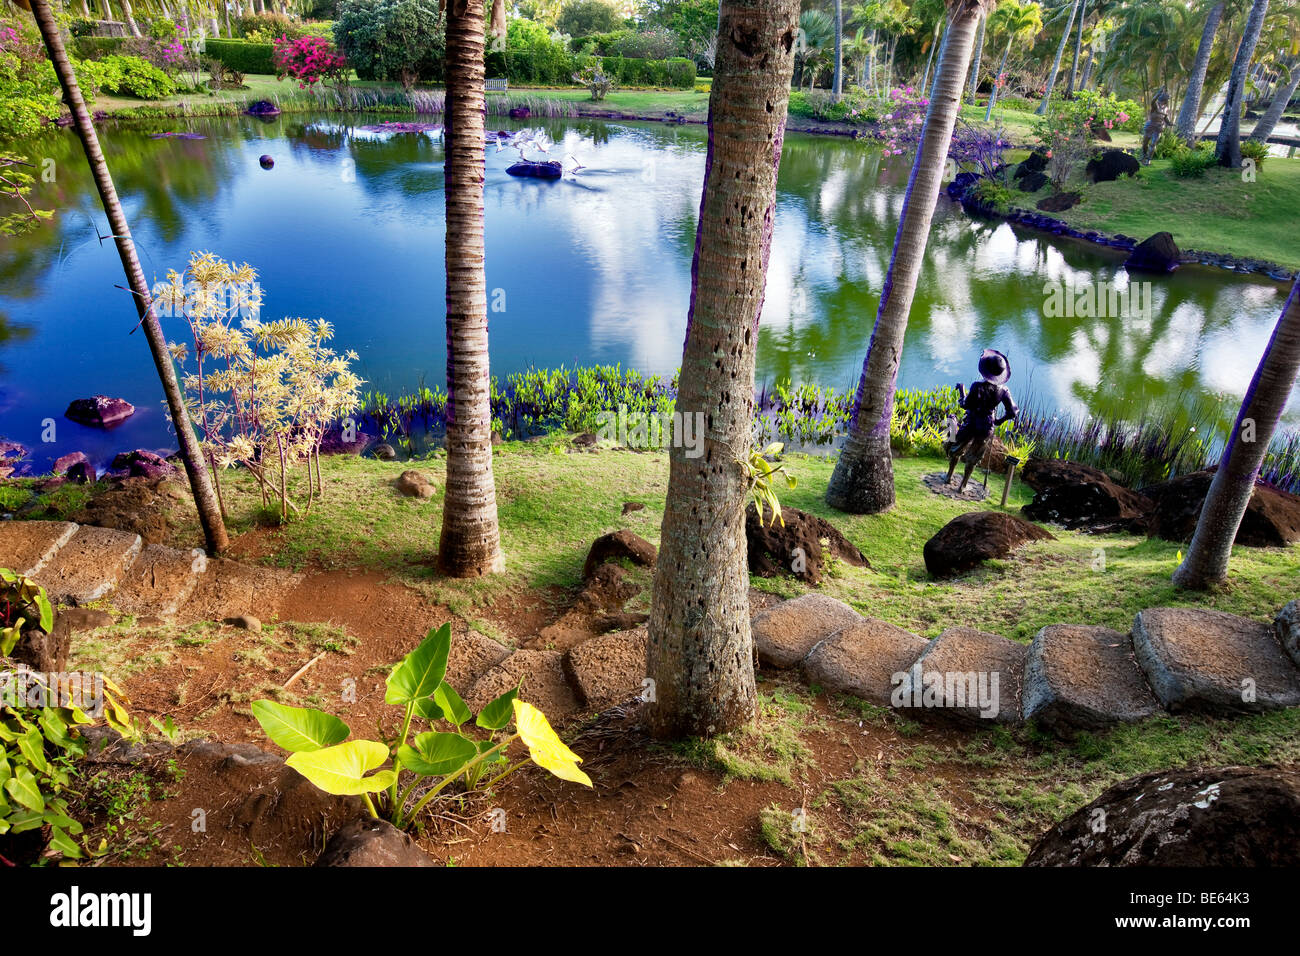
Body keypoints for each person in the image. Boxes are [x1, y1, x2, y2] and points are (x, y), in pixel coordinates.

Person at [943, 349, 1018, 492]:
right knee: (974, 456)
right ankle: (963, 485)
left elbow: (965, 404)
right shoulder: (1004, 391)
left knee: (956, 448)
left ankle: (949, 476)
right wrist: (998, 421)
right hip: (986, 427)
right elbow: (1013, 412)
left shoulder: (977, 386)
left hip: (972, 423)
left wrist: (961, 390)